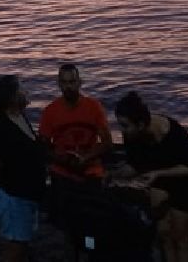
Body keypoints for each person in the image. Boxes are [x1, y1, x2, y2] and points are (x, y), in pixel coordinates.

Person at [113, 91, 188, 262]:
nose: (122, 130)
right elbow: (135, 165)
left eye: (125, 125)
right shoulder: (132, 135)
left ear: (141, 124)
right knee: (164, 234)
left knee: (181, 240)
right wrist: (113, 174)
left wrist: (157, 173)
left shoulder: (170, 133)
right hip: (162, 178)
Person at [38, 63, 113, 249]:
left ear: (80, 83)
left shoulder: (94, 107)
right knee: (68, 223)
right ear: (58, 84)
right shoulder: (50, 111)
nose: (68, 86)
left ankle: (90, 250)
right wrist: (61, 159)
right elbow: (43, 146)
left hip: (91, 172)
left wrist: (86, 157)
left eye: (72, 82)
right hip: (63, 174)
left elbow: (107, 142)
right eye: (64, 82)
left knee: (93, 221)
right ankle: (74, 250)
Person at [0, 74, 47, 262]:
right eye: (21, 89)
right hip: (14, 198)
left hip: (26, 197)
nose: (26, 91)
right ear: (12, 98)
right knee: (15, 248)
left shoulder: (19, 116)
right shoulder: (1, 127)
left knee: (21, 244)